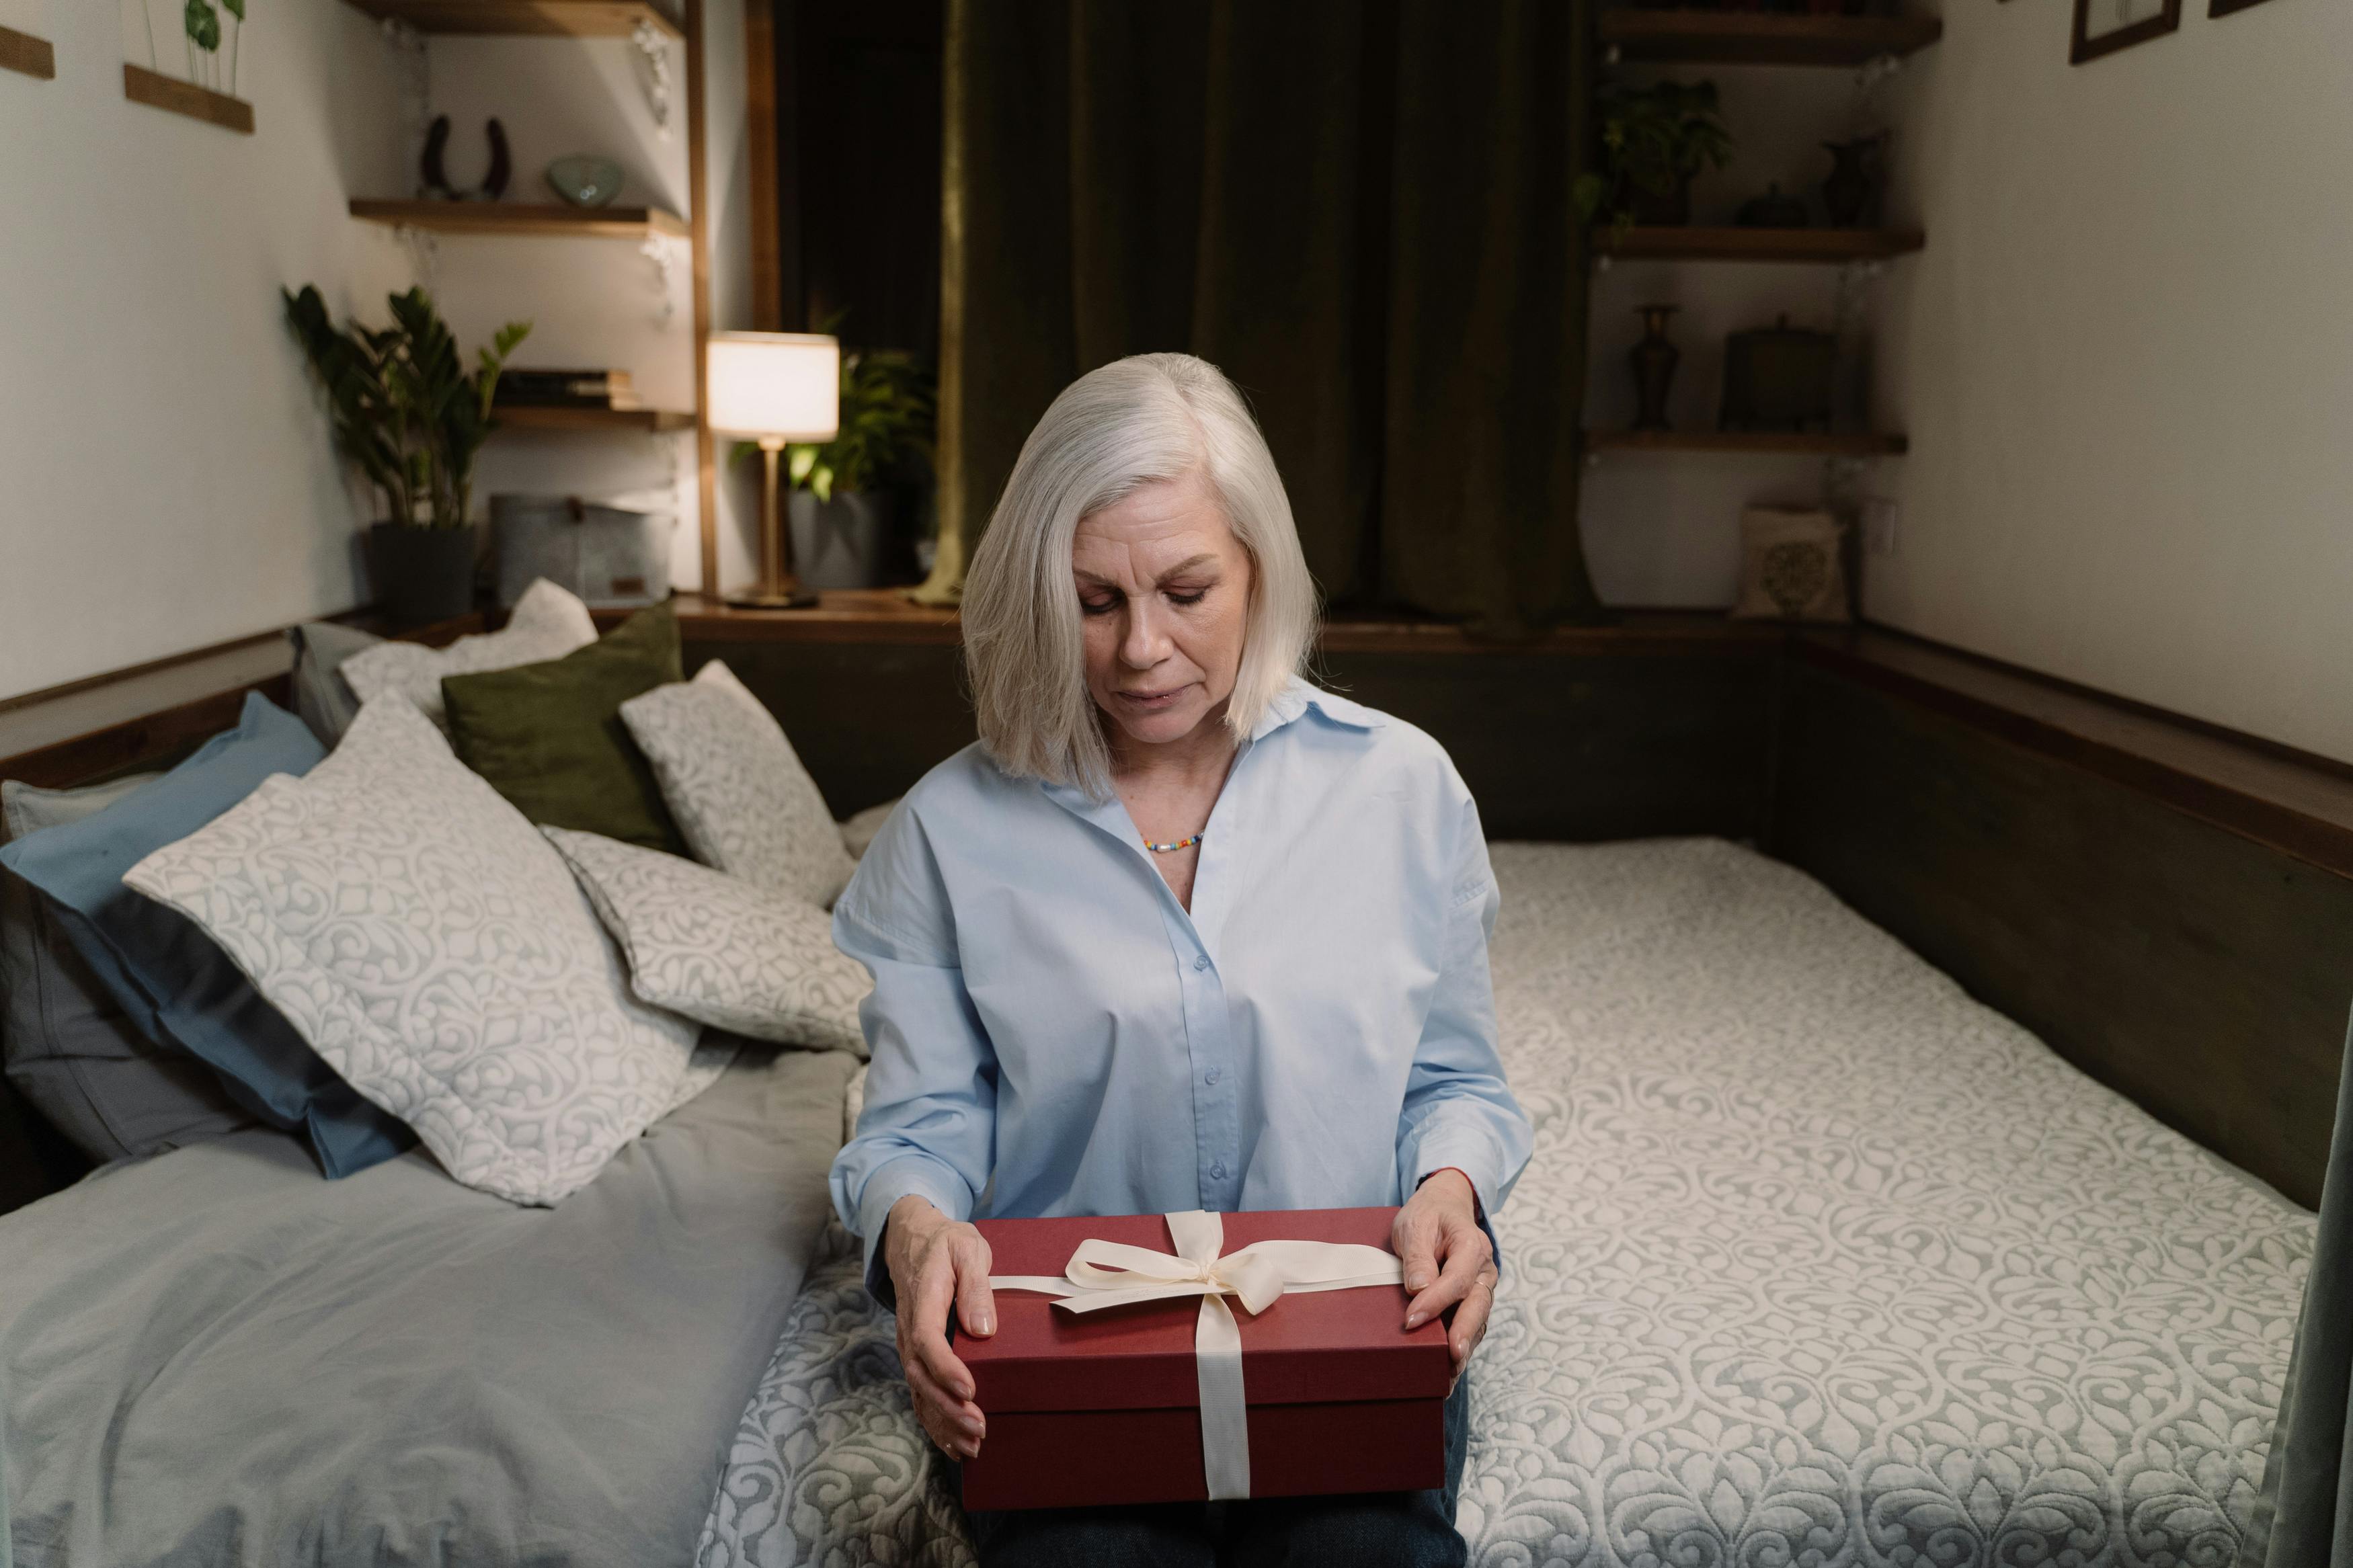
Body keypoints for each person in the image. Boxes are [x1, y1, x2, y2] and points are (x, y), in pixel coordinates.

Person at [828, 352, 1533, 1567]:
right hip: (1060, 1355)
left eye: (1187, 590)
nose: (1142, 649)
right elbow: (919, 1127)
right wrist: (913, 1232)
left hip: (1346, 1334)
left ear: (1261, 569)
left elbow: (1454, 1086)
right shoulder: (951, 826)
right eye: (1095, 600)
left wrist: (1452, 1194)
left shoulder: (1403, 788)